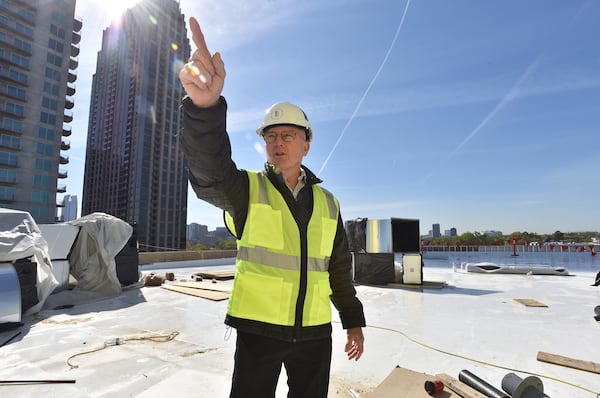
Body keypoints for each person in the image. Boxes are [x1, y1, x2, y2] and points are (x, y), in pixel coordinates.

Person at [178, 17, 366, 398]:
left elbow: (339, 267)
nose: (279, 143)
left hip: (314, 332)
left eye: (289, 136)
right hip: (257, 330)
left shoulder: (328, 203)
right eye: (272, 136)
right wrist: (205, 108)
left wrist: (352, 320)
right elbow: (209, 172)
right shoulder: (248, 189)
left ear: (306, 144)